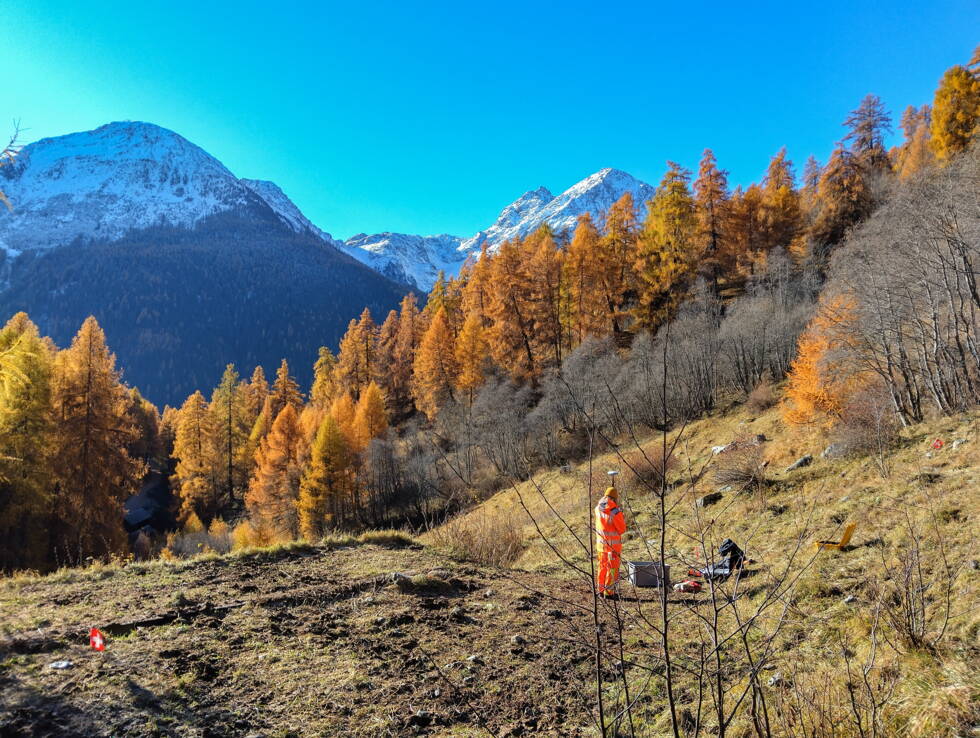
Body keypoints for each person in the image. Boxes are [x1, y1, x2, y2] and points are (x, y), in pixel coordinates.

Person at [594, 484, 626, 597]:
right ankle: (609, 592)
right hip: (612, 547)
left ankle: (600, 590)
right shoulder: (615, 512)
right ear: (615, 498)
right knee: (612, 569)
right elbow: (622, 529)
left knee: (602, 567)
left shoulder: (597, 508)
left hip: (600, 546)